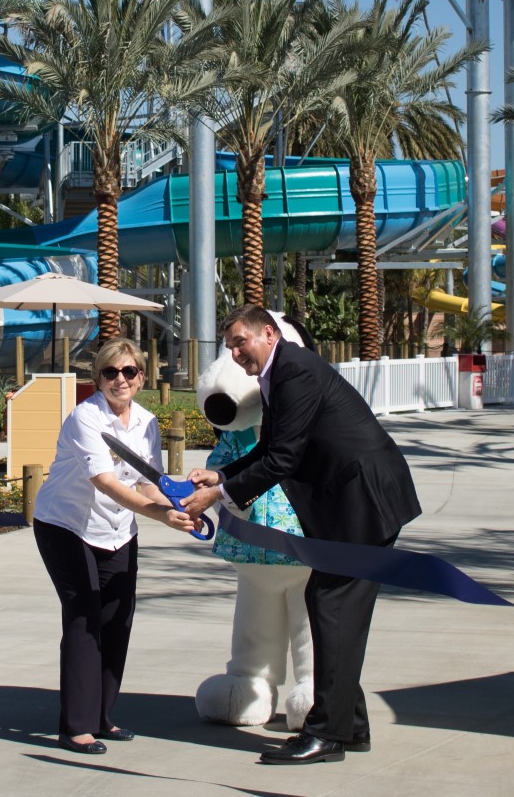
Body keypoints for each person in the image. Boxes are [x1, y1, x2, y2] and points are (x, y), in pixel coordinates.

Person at [181, 304, 422, 765]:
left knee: (332, 606)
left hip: (364, 503)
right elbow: (271, 446)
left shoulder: (294, 371)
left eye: (240, 342)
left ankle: (327, 734)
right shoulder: (279, 371)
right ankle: (349, 726)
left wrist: (221, 494)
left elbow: (283, 459)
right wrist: (221, 475)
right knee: (332, 607)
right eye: (229, 346)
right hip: (352, 503)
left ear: (269, 334)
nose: (235, 354)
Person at [32, 337, 198, 754]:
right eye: (110, 371)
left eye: (128, 371)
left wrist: (182, 509)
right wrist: (159, 515)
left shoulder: (146, 422)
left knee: (117, 620)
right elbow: (105, 482)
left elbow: (148, 482)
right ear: (98, 378)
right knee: (84, 618)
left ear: (141, 377)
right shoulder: (85, 418)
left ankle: (103, 716)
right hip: (66, 526)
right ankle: (76, 726)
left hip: (118, 529)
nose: (120, 379)